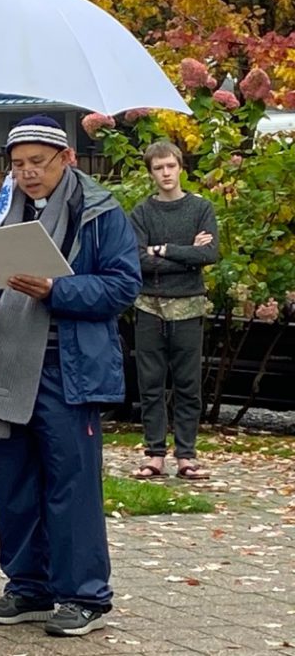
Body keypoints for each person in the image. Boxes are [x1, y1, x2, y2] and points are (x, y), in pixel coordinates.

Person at [0, 115, 141, 638]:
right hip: (4, 364)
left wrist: (56, 289)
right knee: (13, 483)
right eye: (18, 164)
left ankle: (85, 597)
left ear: (67, 159)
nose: (27, 174)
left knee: (71, 486)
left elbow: (123, 288)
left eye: (37, 163)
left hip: (67, 368)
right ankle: (29, 587)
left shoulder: (101, 213)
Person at [128, 140, 218, 481]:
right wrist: (184, 255)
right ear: (151, 172)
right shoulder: (141, 212)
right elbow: (136, 259)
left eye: (170, 166)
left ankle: (187, 456)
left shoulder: (200, 208)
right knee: (150, 383)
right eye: (158, 168)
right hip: (149, 307)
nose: (165, 173)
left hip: (189, 307)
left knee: (187, 384)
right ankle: (154, 454)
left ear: (180, 167)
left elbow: (208, 255)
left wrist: (163, 249)